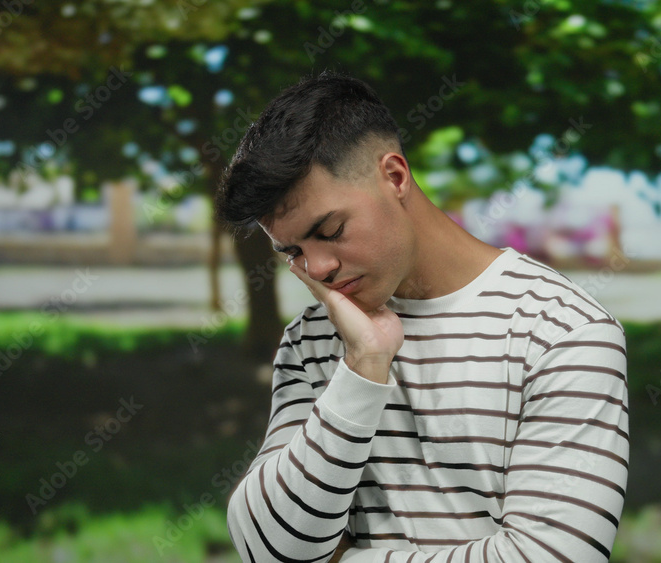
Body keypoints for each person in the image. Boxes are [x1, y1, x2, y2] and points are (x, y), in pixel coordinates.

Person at [214, 71, 629, 563]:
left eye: (330, 230)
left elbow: (554, 557)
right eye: (293, 251)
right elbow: (269, 548)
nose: (317, 268)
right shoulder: (313, 338)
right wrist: (363, 368)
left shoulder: (563, 331)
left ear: (395, 177)